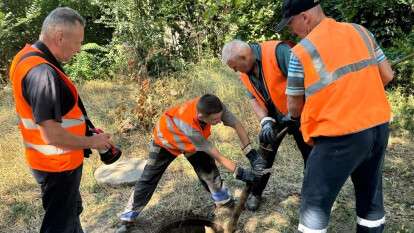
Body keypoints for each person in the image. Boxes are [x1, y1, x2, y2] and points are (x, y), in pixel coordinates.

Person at [275, 0, 394, 232]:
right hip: (378, 127)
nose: (292, 31)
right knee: (370, 196)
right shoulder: (362, 32)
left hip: (338, 137)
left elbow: (294, 108)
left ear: (305, 17)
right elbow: (387, 75)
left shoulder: (301, 52)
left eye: (291, 24)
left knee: (314, 206)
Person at [9, 7, 113, 233]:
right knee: (59, 225)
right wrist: (92, 143)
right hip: (58, 165)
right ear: (59, 37)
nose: (78, 49)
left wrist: (84, 131)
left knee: (69, 215)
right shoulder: (41, 73)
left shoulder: (26, 57)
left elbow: (57, 117)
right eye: (77, 42)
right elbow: (52, 134)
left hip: (51, 161)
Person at [119, 94, 266, 223]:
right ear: (201, 117)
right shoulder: (189, 124)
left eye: (220, 117)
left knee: (209, 171)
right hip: (165, 141)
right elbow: (215, 153)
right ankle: (128, 217)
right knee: (149, 178)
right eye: (215, 120)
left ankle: (224, 203)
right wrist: (239, 172)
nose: (219, 121)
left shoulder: (215, 106)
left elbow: (236, 124)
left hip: (191, 142)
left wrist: (250, 153)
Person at [221, 39, 312, 211]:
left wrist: (295, 114)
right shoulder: (244, 70)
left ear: (244, 57)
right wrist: (266, 122)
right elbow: (254, 99)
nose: (234, 71)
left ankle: (310, 196)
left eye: (234, 66)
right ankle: (256, 192)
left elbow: (307, 80)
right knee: (263, 158)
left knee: (310, 155)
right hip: (274, 116)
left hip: (299, 113)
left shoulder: (278, 52)